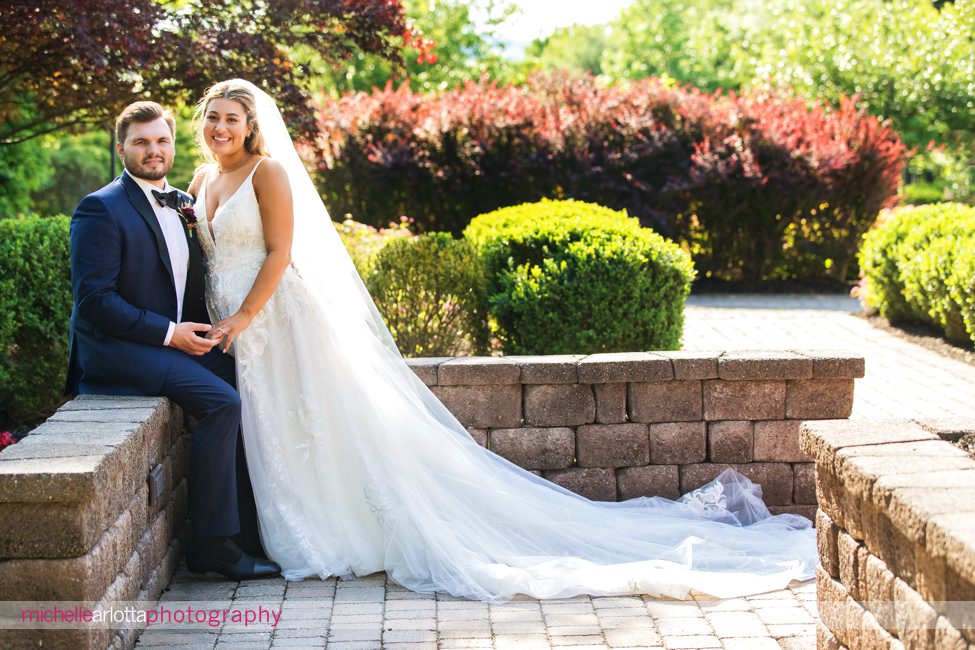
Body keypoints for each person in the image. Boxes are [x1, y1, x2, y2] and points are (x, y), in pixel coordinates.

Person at [190, 79, 818, 601]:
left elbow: (279, 254)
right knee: (276, 431)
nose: (222, 128)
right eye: (213, 118)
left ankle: (330, 536)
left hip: (276, 320)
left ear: (251, 127)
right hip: (233, 331)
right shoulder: (198, 181)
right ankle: (292, 531)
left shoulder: (266, 171)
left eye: (232, 119)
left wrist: (244, 317)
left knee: (312, 426)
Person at [66, 101, 280, 581]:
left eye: (161, 140)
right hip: (119, 351)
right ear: (121, 147)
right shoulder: (100, 208)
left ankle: (251, 529)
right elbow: (94, 302)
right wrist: (170, 335)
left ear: (172, 144)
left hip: (169, 342)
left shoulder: (184, 201)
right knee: (222, 404)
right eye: (141, 142)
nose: (153, 150)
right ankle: (212, 546)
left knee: (249, 385)